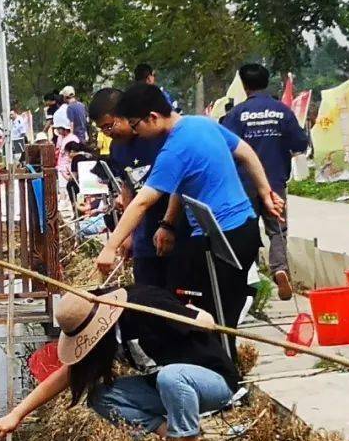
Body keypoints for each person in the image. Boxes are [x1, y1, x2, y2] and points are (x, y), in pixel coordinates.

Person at [98, 84, 282, 342]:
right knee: (214, 310)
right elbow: (245, 152)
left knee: (212, 317)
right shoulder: (200, 124)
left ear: (153, 117)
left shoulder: (174, 150)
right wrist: (265, 192)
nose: (137, 131)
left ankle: (223, 374)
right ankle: (222, 368)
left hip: (222, 238)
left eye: (136, 124)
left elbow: (141, 203)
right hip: (245, 228)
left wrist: (110, 247)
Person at [0, 285, 239, 441]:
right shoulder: (103, 341)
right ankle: (174, 437)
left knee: (170, 375)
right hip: (165, 389)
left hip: (211, 383)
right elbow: (67, 375)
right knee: (101, 396)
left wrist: (197, 315)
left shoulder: (144, 306)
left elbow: (206, 323)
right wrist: (16, 415)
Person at [220, 63, 309, 300]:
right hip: (275, 183)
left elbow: (222, 147)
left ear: (244, 84)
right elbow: (300, 143)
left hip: (243, 185)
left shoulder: (236, 115)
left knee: (244, 231)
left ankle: (244, 279)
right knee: (278, 230)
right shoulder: (282, 111)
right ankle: (280, 269)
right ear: (266, 82)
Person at [89, 87, 189, 288]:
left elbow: (180, 184)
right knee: (147, 297)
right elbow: (128, 187)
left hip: (176, 233)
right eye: (102, 129)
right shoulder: (118, 147)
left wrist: (168, 224)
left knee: (176, 301)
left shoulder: (158, 137)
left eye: (110, 126)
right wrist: (128, 235)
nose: (108, 133)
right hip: (145, 239)